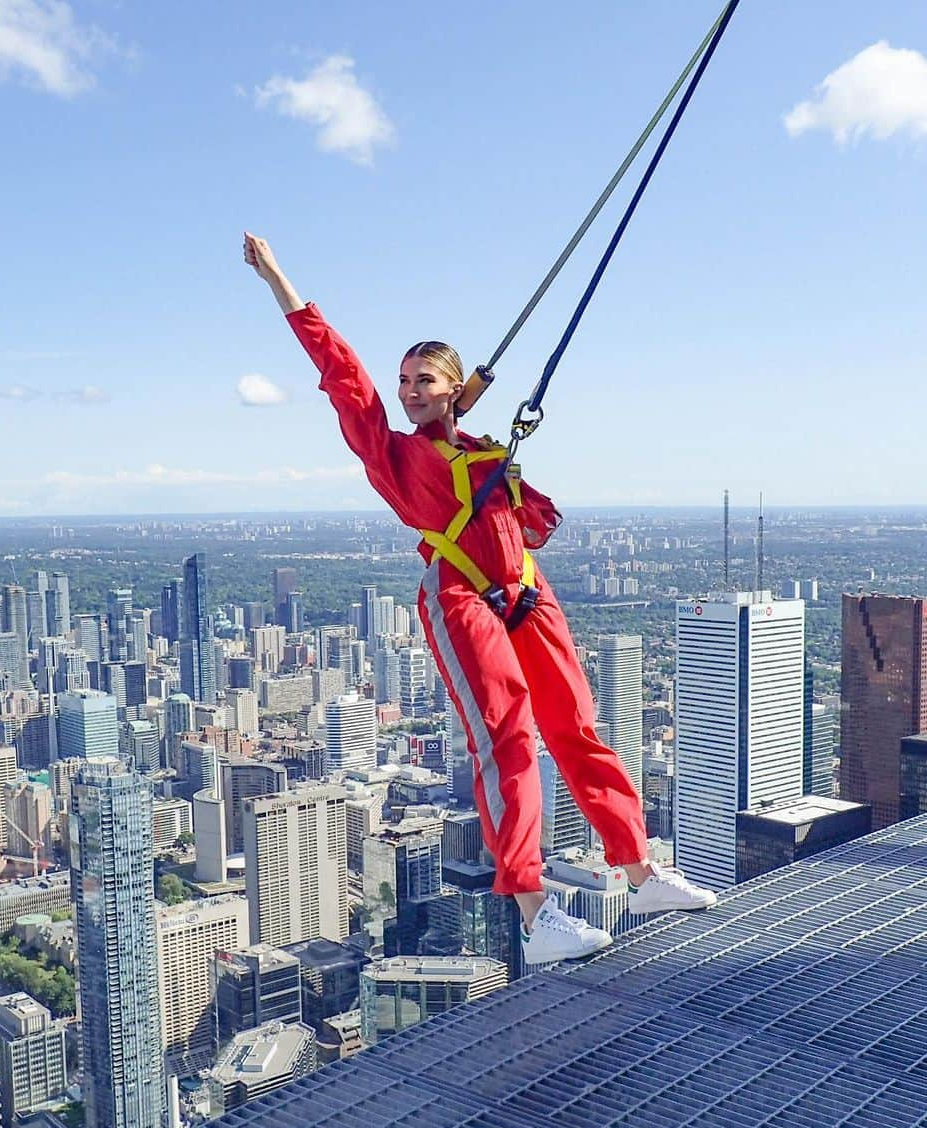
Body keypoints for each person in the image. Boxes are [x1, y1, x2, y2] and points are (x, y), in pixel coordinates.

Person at [245, 232, 716, 965]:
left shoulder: (488, 454)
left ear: (454, 388)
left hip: (527, 590)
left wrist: (508, 475)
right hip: (459, 593)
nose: (408, 391)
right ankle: (534, 911)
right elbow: (342, 376)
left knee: (578, 731)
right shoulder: (393, 453)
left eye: (424, 380)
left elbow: (542, 524)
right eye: (405, 380)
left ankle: (639, 871)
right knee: (508, 740)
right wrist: (281, 280)